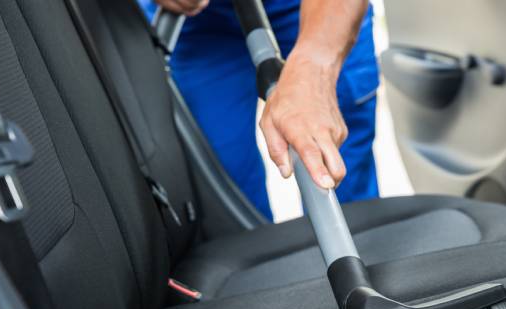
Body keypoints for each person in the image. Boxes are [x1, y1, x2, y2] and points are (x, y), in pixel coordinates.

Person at [141, 0, 380, 221]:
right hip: (199, 24)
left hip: (307, 7)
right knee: (221, 191)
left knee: (339, 179)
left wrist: (315, 67)